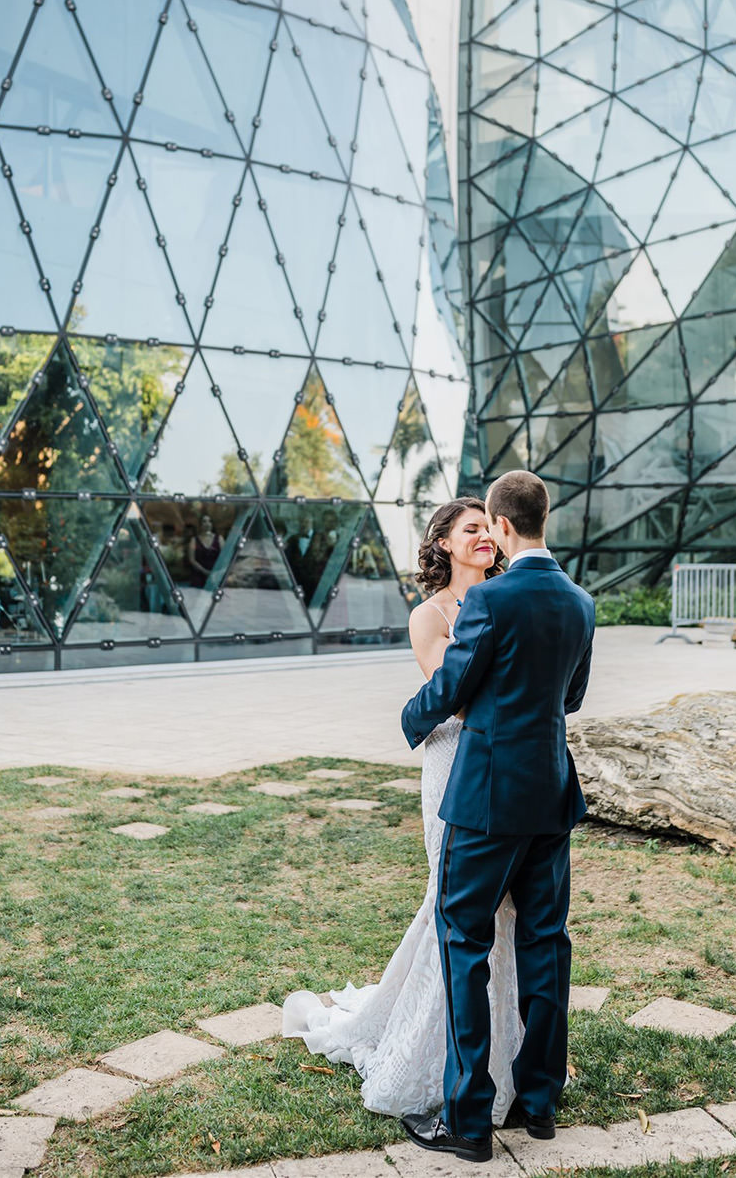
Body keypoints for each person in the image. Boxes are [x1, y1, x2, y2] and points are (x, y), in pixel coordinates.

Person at [281, 497, 524, 1122]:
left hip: (506, 770)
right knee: (454, 900)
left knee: (502, 908)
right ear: (442, 542)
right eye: (470, 530)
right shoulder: (430, 615)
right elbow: (459, 697)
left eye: (487, 530)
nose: (484, 539)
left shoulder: (507, 599)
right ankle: (427, 1046)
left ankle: (499, 1054)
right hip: (453, 766)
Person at [400, 469, 594, 1164]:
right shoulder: (579, 601)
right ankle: (539, 1103)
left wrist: (409, 719)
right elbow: (569, 697)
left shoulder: (490, 600)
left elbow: (452, 686)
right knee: (546, 943)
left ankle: (470, 1120)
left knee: (464, 944)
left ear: (503, 525)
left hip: (484, 798)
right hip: (549, 793)